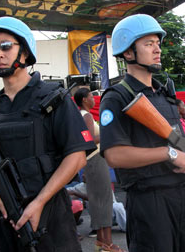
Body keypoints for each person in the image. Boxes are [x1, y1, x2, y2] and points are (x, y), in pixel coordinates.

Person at [0, 16, 96, 251]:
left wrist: (38, 203)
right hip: (5, 224)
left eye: (6, 46)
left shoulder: (54, 99)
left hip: (52, 220)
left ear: (25, 52)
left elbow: (77, 157)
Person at [99, 14, 185, 252]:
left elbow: (181, 141)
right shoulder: (117, 98)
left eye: (157, 43)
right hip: (149, 200)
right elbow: (114, 156)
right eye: (148, 44)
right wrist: (168, 154)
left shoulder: (164, 94)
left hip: (182, 195)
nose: (157, 50)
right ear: (128, 53)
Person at [73, 88, 125, 252]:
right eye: (90, 96)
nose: (93, 98)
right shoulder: (86, 116)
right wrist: (108, 134)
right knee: (104, 201)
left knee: (98, 200)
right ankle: (107, 244)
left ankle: (102, 243)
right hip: (95, 160)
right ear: (83, 100)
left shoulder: (80, 116)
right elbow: (88, 141)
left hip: (91, 162)